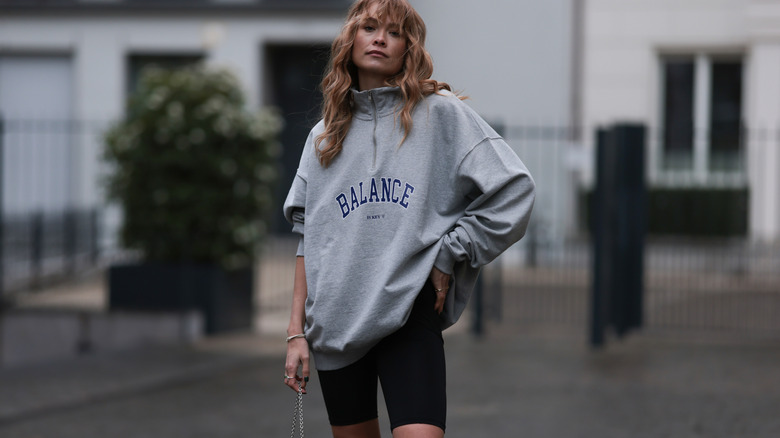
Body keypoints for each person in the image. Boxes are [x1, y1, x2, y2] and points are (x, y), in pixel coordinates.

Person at [282, 0, 535, 436]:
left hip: (409, 309)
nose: (380, 38)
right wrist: (295, 334)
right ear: (351, 39)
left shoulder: (441, 114)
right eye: (369, 27)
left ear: (408, 49)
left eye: (394, 32)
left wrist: (450, 253)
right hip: (336, 322)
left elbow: (514, 189)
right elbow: (309, 237)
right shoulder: (323, 136)